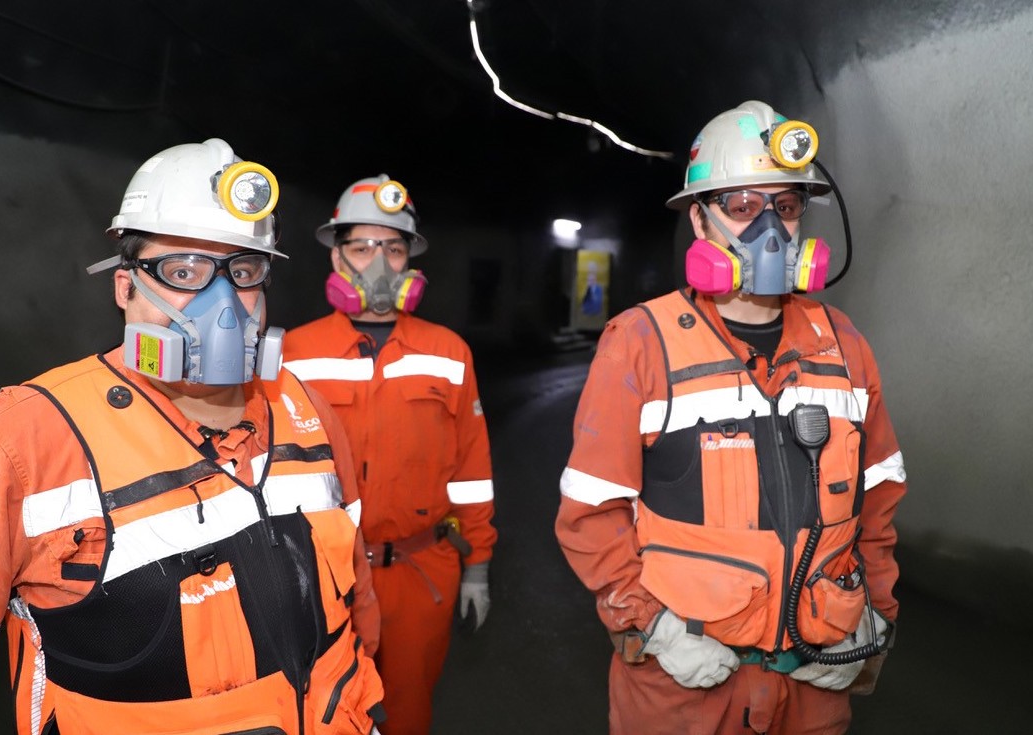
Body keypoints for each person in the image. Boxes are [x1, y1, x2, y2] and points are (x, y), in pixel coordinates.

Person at [0, 138, 386, 735]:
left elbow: (354, 591)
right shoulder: (24, 441)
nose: (223, 305)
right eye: (183, 271)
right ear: (125, 287)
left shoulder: (305, 408)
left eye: (244, 271)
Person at [555, 100, 907, 734]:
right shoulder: (642, 342)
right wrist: (651, 626)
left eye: (787, 207)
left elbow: (877, 499)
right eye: (743, 206)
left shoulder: (844, 344)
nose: (770, 229)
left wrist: (874, 616)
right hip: (682, 688)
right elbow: (591, 513)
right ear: (699, 219)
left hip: (814, 681)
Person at [281, 175, 497, 735]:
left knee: (407, 711)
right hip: (323, 574)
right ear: (336, 256)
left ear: (410, 260)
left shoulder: (448, 352)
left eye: (394, 248)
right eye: (362, 247)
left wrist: (477, 566)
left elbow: (472, 471)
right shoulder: (293, 354)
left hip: (420, 573)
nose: (379, 262)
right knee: (320, 709)